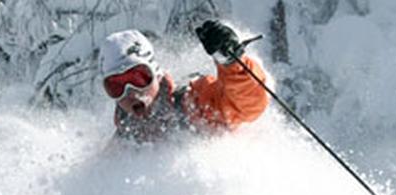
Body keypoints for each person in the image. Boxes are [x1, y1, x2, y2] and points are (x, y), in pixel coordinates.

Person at [98, 20, 269, 144]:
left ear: (156, 72)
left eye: (139, 78)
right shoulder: (126, 136)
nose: (131, 92)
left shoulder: (191, 102)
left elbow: (245, 107)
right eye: (116, 86)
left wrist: (231, 64)